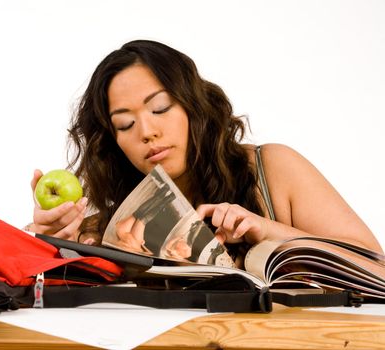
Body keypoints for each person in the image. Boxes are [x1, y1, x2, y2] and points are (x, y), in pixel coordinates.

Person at [24, 39, 383, 264]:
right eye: (125, 125)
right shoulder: (109, 229)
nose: (147, 132)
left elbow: (374, 262)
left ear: (193, 106)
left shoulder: (271, 167)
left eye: (161, 108)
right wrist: (47, 245)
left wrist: (265, 228)